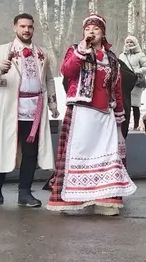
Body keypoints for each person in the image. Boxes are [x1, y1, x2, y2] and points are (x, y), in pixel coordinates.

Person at [48, 14, 136, 215]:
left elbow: (117, 87)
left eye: (95, 29)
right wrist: (80, 52)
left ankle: (105, 200)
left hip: (105, 114)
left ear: (103, 33)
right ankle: (73, 199)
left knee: (105, 156)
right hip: (82, 111)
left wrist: (119, 114)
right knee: (81, 153)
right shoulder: (75, 50)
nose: (91, 32)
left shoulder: (111, 58)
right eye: (87, 29)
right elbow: (67, 72)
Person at [0, 14, 58, 208]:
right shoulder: (1, 50)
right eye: (22, 26)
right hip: (9, 108)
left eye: (30, 27)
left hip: (34, 110)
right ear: (15, 28)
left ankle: (24, 192)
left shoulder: (42, 53)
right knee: (5, 147)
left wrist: (53, 104)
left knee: (30, 152)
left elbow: (48, 80)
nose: (26, 30)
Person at [118, 36, 146, 135]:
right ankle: (124, 125)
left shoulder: (140, 55)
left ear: (135, 43)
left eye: (131, 42)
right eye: (127, 42)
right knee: (124, 104)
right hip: (124, 83)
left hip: (135, 83)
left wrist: (136, 72)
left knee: (135, 105)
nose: (129, 44)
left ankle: (136, 125)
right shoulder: (121, 56)